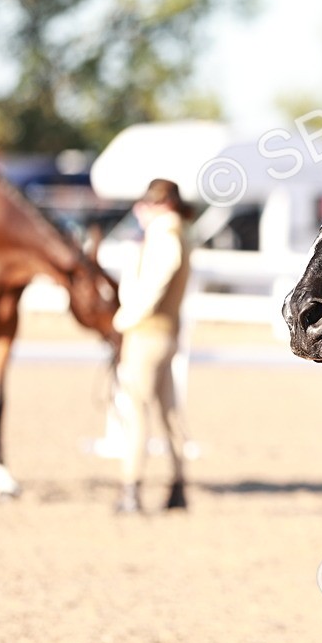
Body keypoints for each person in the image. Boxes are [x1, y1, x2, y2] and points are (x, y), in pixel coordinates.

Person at [111, 178, 193, 513]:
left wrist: (124, 320)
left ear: (161, 204)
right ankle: (177, 485)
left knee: (136, 410)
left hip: (147, 334)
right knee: (168, 411)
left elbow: (153, 284)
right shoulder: (180, 234)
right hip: (166, 333)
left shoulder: (164, 235)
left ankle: (131, 487)